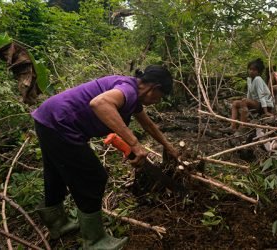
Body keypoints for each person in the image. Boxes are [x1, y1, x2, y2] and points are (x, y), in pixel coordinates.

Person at [32, 65, 179, 250]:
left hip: (48, 119)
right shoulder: (127, 89)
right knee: (94, 178)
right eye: (160, 96)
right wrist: (134, 143)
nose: (158, 101)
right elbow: (99, 103)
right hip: (60, 124)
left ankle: (59, 225)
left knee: (56, 173)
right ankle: (95, 241)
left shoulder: (131, 95)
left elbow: (148, 125)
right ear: (153, 88)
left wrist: (169, 147)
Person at [228, 58, 274, 133]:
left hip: (265, 106)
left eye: (254, 70)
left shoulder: (258, 79)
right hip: (256, 103)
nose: (251, 71)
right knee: (235, 103)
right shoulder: (249, 79)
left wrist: (266, 112)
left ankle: (243, 127)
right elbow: (249, 95)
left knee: (244, 101)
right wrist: (245, 104)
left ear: (259, 72)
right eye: (250, 69)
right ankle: (232, 126)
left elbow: (261, 95)